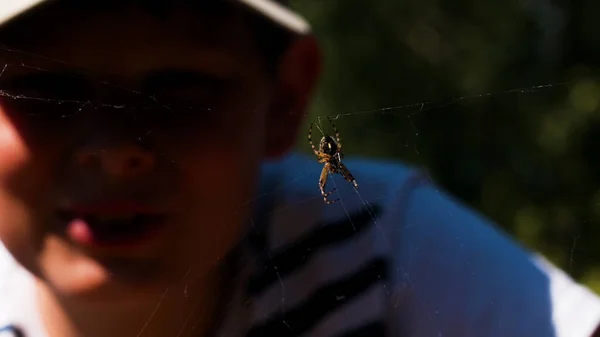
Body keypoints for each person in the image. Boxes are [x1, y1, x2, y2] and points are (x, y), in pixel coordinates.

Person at [0, 0, 598, 336]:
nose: (113, 148)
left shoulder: (375, 240)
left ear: (285, 102)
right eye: (45, 88)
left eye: (180, 89)